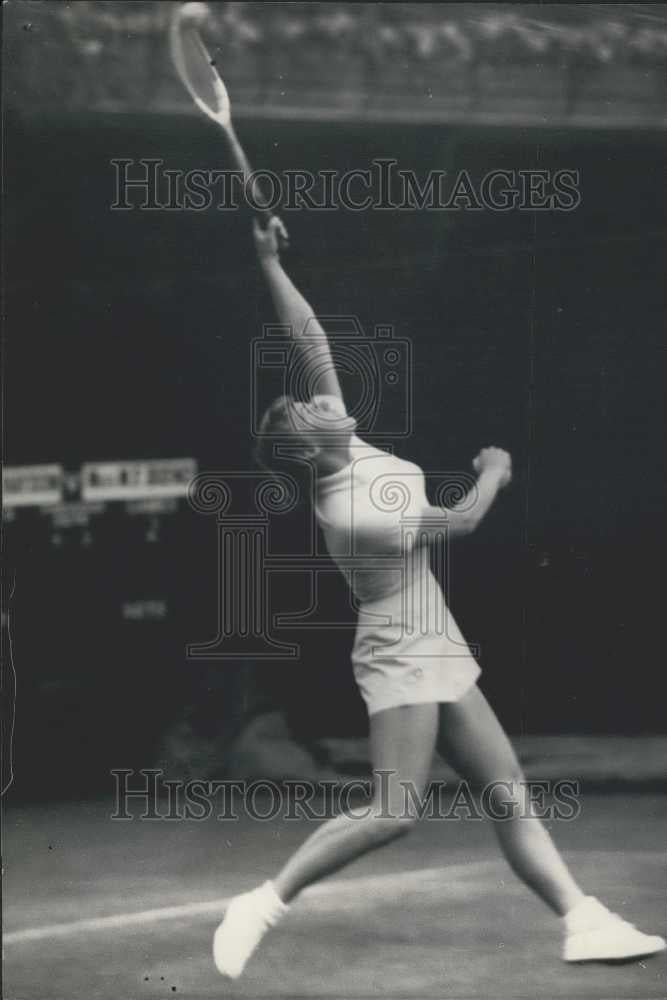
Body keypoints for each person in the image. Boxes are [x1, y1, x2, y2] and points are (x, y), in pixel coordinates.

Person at [213, 216, 665, 978]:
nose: (325, 399)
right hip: (398, 645)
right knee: (394, 812)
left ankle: (582, 921)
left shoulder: (338, 445)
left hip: (432, 632)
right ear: (308, 447)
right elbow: (457, 520)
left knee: (506, 790)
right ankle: (262, 901)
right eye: (313, 410)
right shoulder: (356, 509)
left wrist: (268, 261)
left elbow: (307, 334)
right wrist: (492, 470)